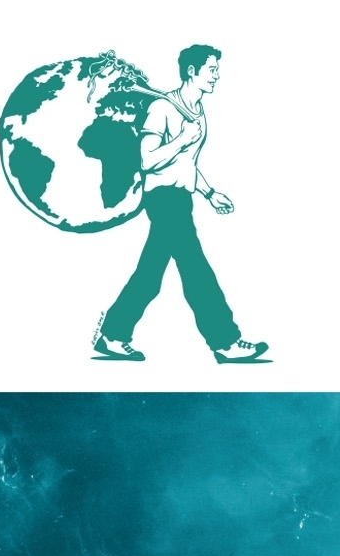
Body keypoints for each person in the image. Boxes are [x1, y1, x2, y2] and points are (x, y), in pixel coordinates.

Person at [94, 44, 267, 365]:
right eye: (211, 69)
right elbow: (147, 160)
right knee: (196, 270)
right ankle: (225, 341)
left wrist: (209, 193)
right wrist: (182, 140)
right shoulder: (162, 109)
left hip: (181, 198)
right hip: (163, 199)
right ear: (192, 71)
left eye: (216, 70)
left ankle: (113, 334)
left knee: (149, 275)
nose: (216, 76)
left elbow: (186, 164)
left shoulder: (197, 112)